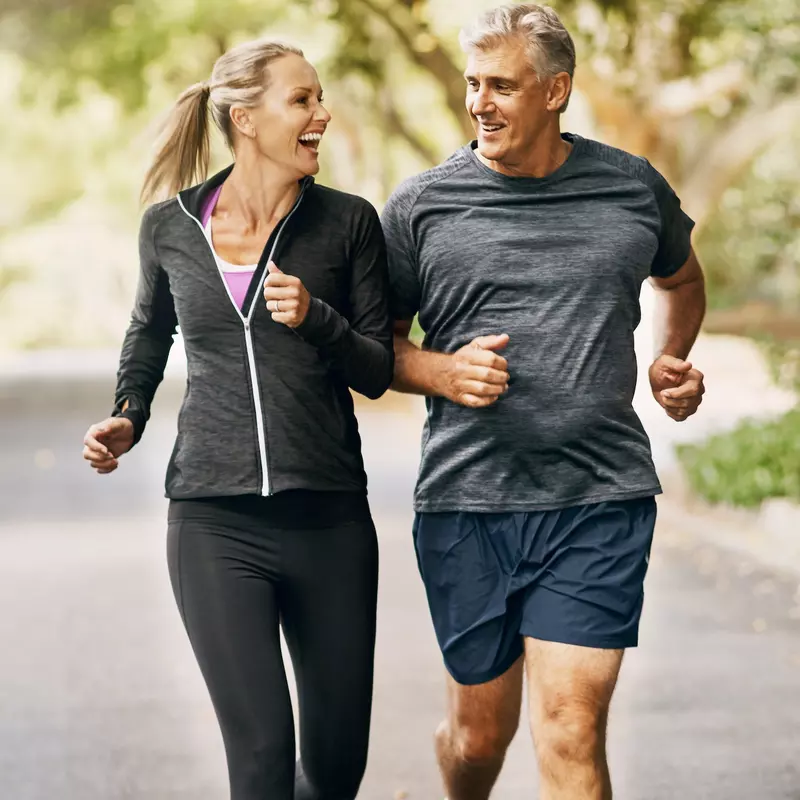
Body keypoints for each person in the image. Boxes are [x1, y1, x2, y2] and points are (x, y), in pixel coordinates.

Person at [381, 4, 706, 799]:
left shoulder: (631, 188)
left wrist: (672, 355)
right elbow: (378, 346)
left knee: (568, 726)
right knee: (478, 738)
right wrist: (442, 372)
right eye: (472, 84)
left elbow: (683, 279)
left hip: (599, 498)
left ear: (556, 90)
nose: (479, 103)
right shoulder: (422, 205)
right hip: (468, 503)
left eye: (502, 85)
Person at [81, 39, 393, 800]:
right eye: (302, 101)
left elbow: (379, 368)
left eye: (319, 98)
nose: (321, 114)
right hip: (214, 524)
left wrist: (319, 320)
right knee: (259, 763)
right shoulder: (169, 227)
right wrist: (129, 414)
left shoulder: (348, 224)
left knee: (334, 770)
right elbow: (148, 333)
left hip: (329, 522)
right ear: (245, 119)